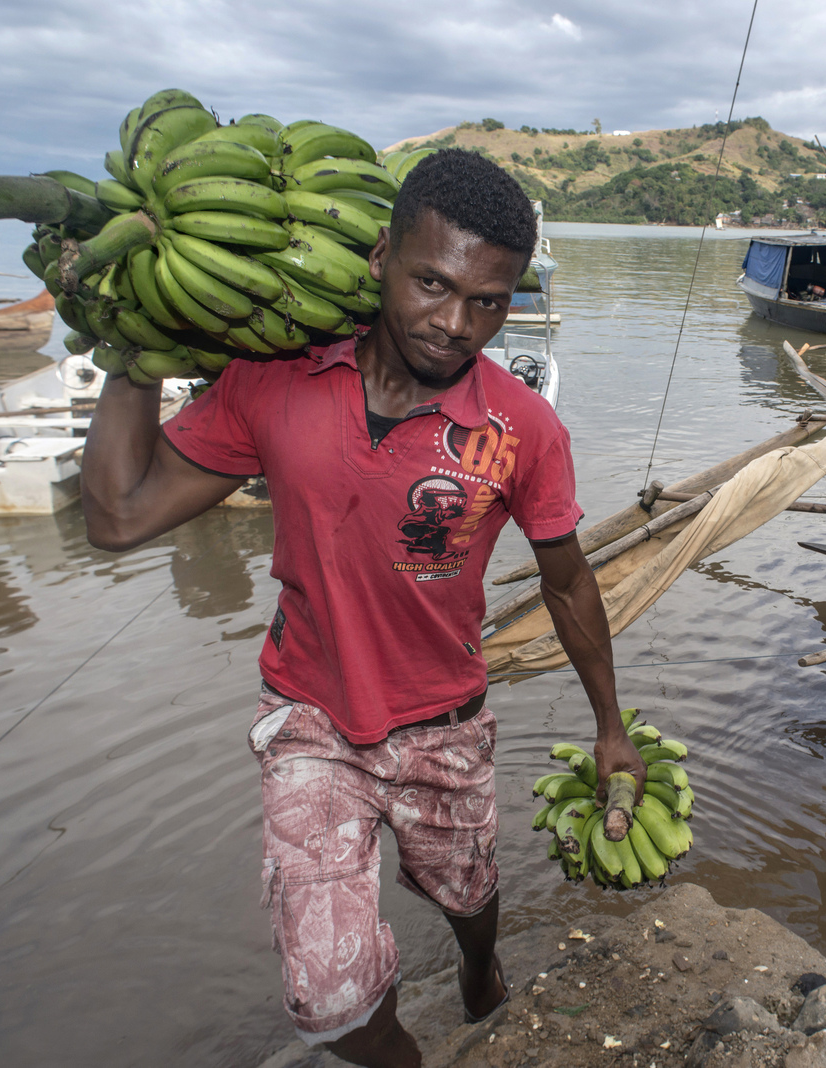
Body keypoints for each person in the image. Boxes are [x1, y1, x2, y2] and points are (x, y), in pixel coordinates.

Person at [79, 149, 646, 1068]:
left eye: (490, 303)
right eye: (433, 283)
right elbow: (116, 516)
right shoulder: (275, 382)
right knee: (327, 999)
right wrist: (133, 343)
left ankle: (478, 968)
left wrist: (610, 726)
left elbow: (569, 580)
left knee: (465, 891)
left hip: (445, 719)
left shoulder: (520, 429)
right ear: (382, 255)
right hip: (309, 718)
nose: (456, 324)